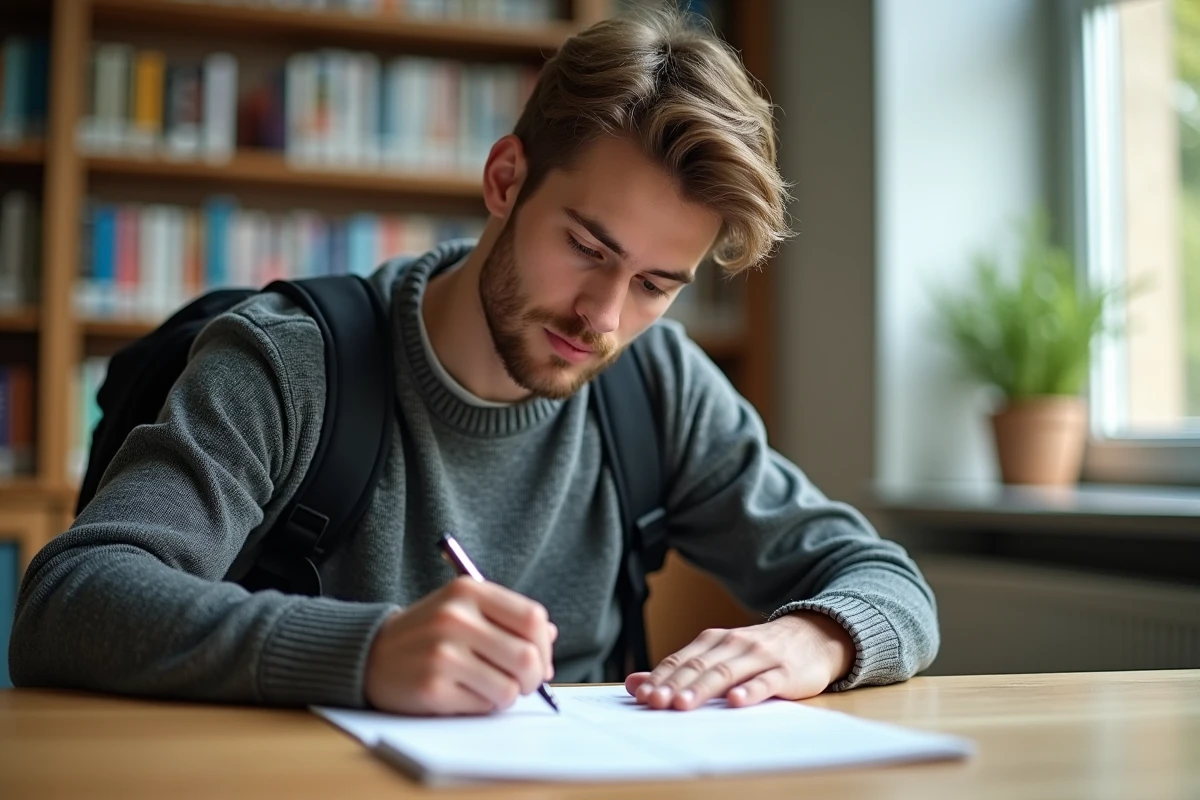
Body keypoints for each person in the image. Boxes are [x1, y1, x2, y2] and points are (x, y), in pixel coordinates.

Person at [9, 8, 938, 716]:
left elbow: (888, 581)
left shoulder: (659, 385)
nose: (604, 318)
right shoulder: (288, 364)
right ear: (505, 181)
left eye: (658, 284)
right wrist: (365, 653)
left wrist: (818, 640)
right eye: (587, 246)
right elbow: (68, 602)